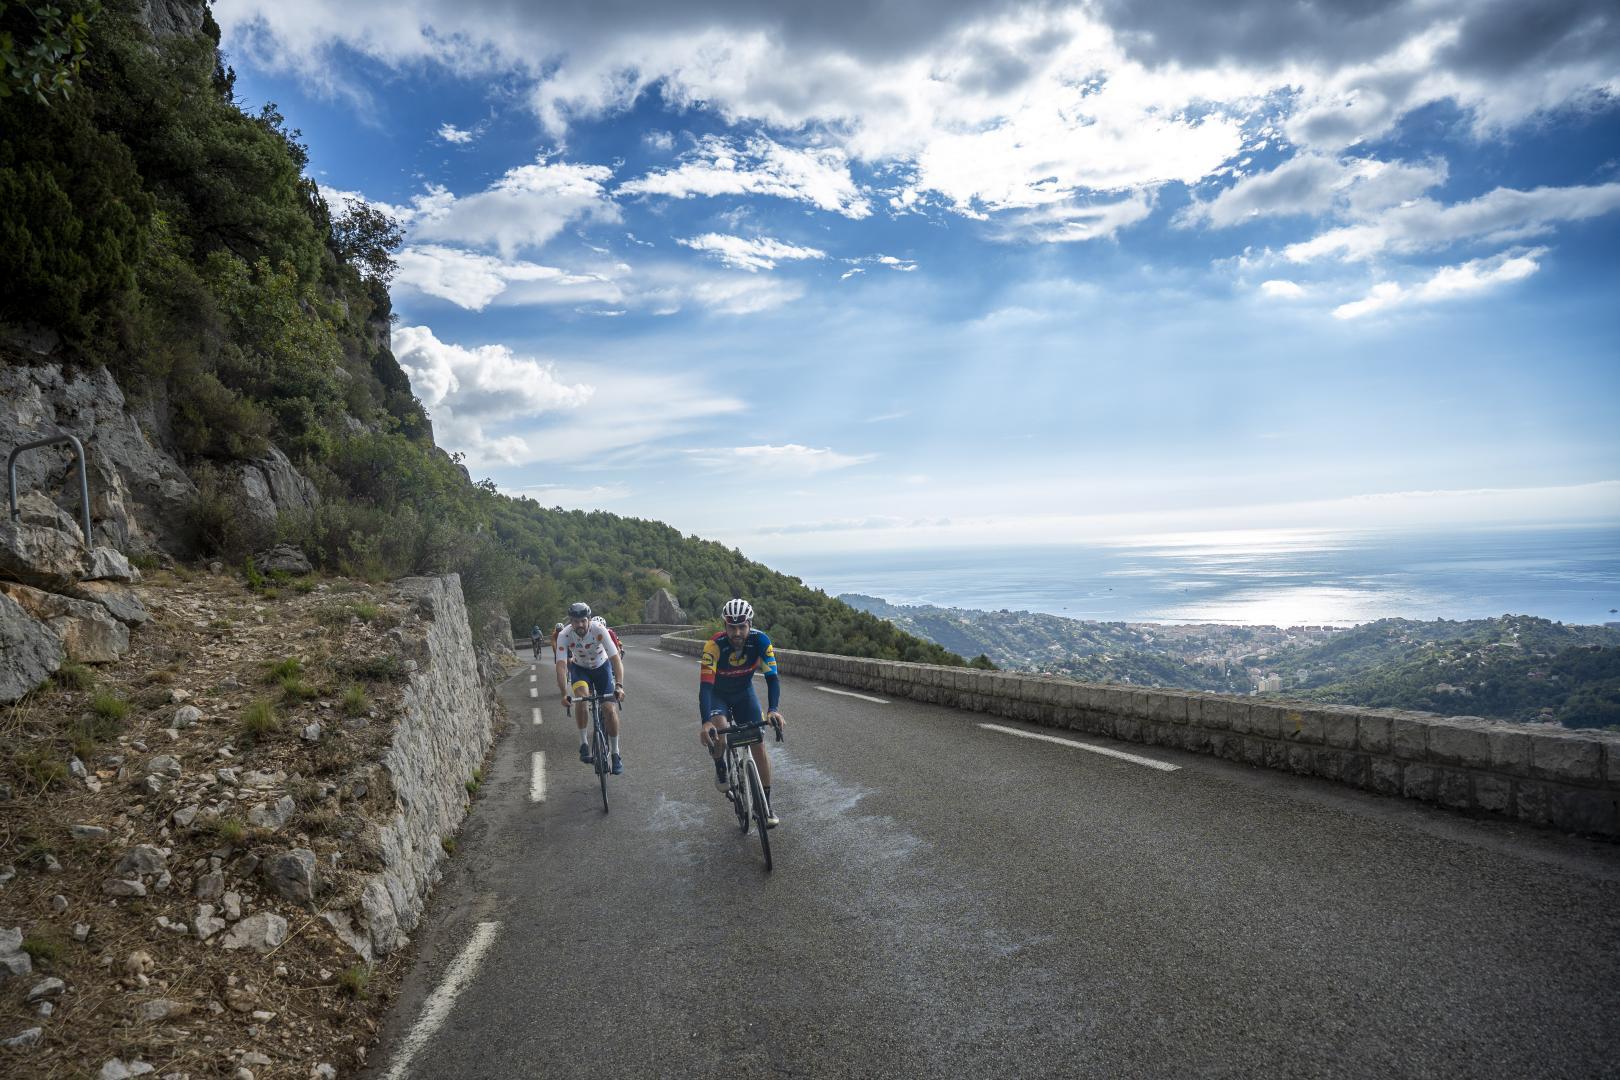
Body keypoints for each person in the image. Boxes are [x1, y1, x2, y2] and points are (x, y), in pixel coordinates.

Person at [699, 597, 785, 826]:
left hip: (744, 694)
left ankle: (765, 805)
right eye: (732, 627)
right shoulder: (713, 646)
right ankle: (720, 764)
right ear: (725, 625)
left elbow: (772, 678)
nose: (737, 632)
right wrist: (706, 722)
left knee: (759, 745)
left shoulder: (761, 641)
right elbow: (705, 688)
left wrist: (773, 710)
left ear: (750, 624)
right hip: (718, 695)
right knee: (720, 730)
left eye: (742, 627)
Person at [554, 602, 626, 774]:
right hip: (580, 670)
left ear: (589, 620)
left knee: (609, 709)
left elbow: (615, 659)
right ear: (570, 621)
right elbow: (561, 666)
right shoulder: (564, 635)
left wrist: (619, 685)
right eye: (575, 621)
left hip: (602, 668)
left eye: (583, 621)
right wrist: (564, 693)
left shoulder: (599, 630)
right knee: (582, 698)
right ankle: (584, 743)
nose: (579, 624)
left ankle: (615, 753)